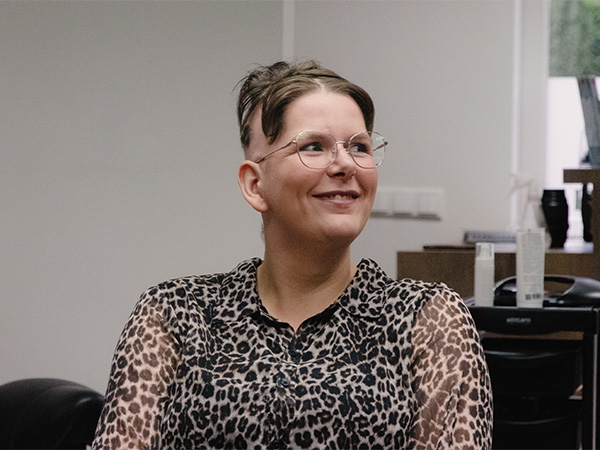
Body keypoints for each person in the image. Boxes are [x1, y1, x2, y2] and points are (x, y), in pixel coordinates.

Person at [92, 60, 493, 450]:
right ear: (254, 185)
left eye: (360, 147)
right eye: (314, 146)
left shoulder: (427, 318)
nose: (345, 164)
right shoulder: (176, 314)